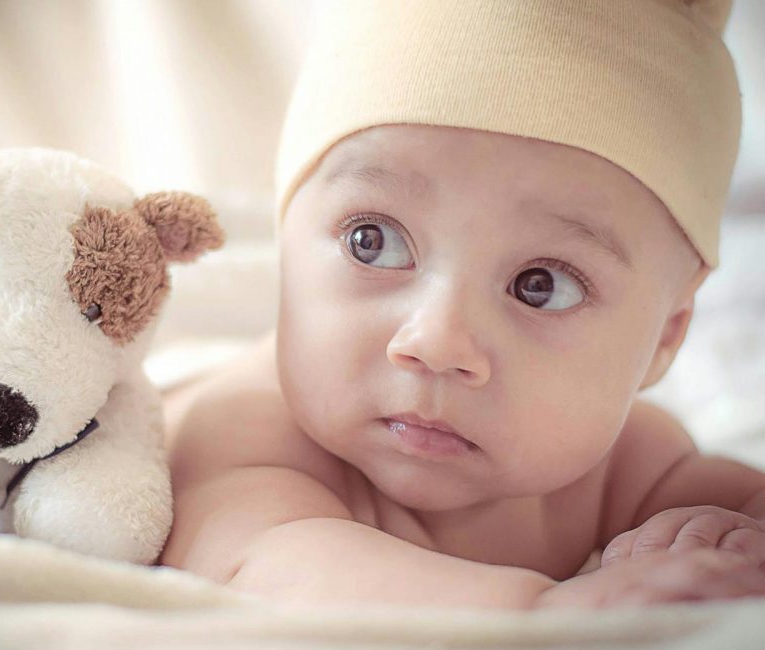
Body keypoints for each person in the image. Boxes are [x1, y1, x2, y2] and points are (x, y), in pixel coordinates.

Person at [159, 0, 765, 609]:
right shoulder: (242, 429)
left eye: (540, 286)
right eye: (373, 242)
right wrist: (542, 612)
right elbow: (265, 558)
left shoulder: (625, 464)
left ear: (665, 336)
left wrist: (725, 538)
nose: (437, 342)